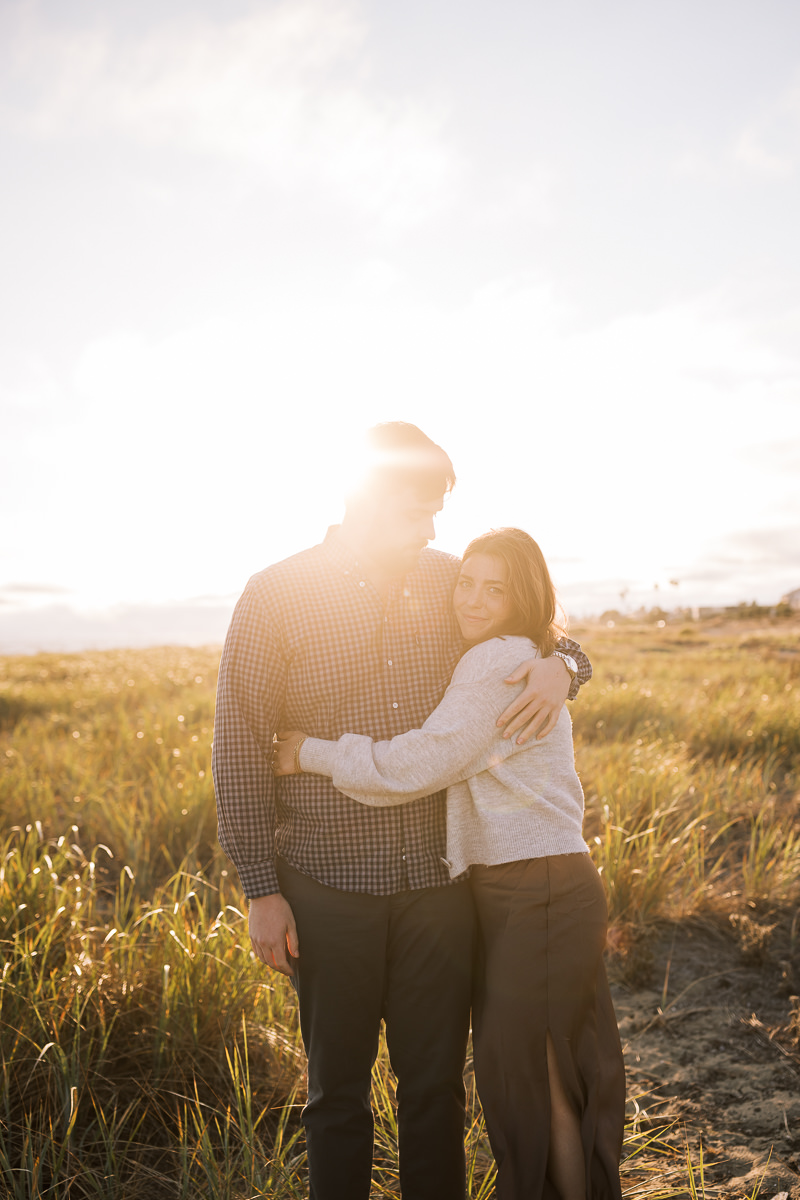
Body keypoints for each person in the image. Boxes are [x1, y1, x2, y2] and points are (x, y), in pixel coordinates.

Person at [212, 424, 592, 1200]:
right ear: (369, 496)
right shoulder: (277, 592)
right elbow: (241, 743)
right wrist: (260, 888)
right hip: (324, 886)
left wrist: (568, 666)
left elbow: (540, 628)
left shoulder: (453, 580)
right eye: (418, 510)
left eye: (438, 513)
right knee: (337, 1099)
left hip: (437, 888)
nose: (430, 530)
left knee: (434, 1097)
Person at [273, 526, 624, 1200]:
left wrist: (308, 751)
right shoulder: (516, 653)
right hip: (519, 889)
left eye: (496, 589)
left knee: (538, 1084)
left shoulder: (498, 660)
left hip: (539, 890)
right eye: (466, 582)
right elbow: (559, 650)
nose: (472, 599)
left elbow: (417, 765)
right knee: (532, 1080)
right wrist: (569, 662)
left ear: (523, 597)